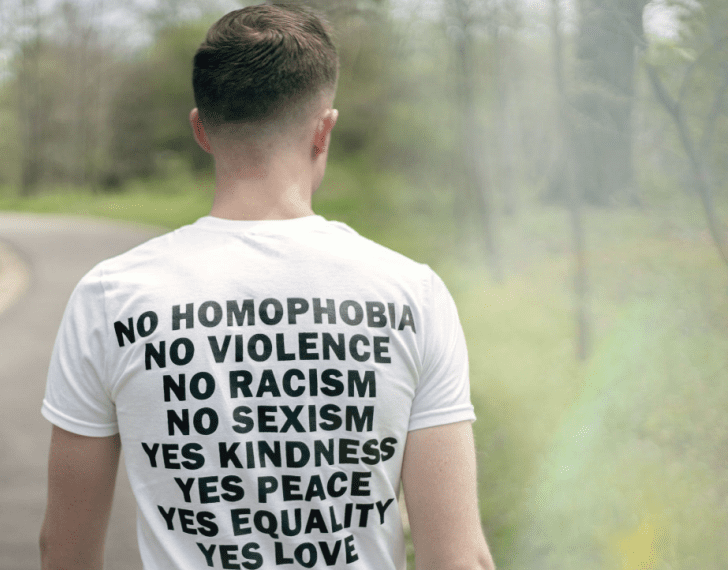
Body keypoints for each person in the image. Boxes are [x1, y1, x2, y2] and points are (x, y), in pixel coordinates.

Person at [39, 3, 495, 570]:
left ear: (201, 129)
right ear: (323, 130)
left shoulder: (109, 298)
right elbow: (455, 558)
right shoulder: (412, 295)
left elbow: (64, 550)